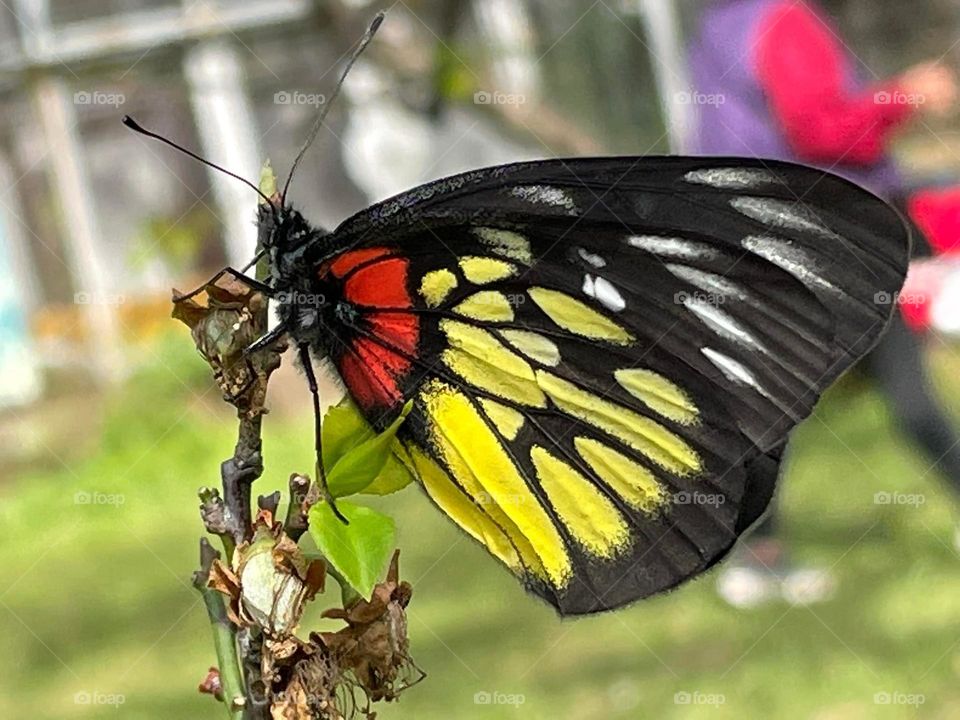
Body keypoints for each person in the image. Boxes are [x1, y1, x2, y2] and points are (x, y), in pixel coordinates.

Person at [687, 0, 960, 607]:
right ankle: (757, 560)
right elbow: (822, 131)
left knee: (766, 406)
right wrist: (905, 96)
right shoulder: (784, 19)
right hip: (825, 235)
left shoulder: (721, 23)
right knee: (905, 384)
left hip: (749, 232)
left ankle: (757, 560)